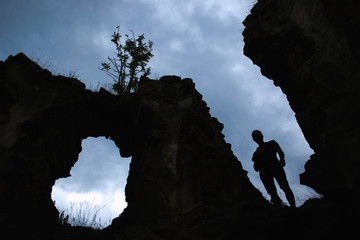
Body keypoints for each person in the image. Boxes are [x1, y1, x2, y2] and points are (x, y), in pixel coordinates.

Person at [251, 130, 296, 208]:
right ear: (254, 139)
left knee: (284, 186)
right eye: (255, 136)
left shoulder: (271, 143)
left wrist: (282, 158)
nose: (257, 137)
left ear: (262, 135)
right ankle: (279, 207)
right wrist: (257, 165)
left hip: (275, 166)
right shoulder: (256, 153)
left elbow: (279, 150)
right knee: (272, 191)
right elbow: (255, 167)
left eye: (258, 134)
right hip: (264, 172)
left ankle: (293, 207)